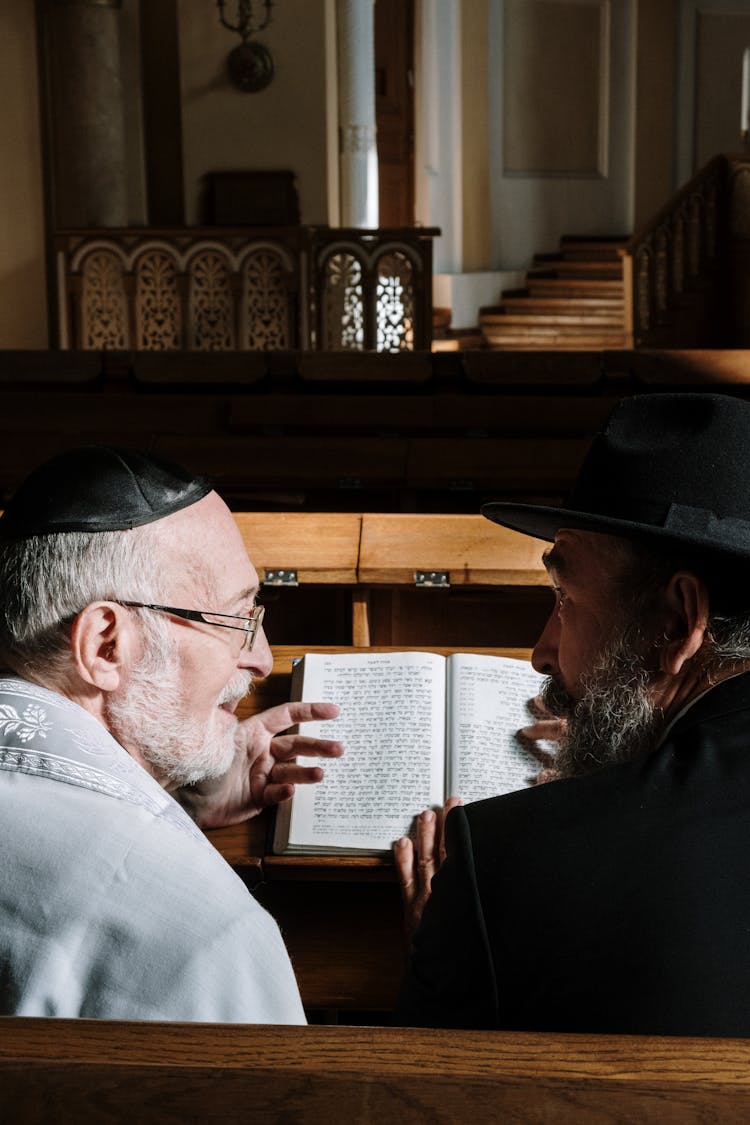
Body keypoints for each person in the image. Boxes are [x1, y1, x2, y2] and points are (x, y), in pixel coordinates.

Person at [394, 391, 750, 1036]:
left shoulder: (507, 866)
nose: (541, 652)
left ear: (676, 623)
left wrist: (460, 948)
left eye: (564, 596)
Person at [0, 446, 343, 1022]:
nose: (262, 659)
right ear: (106, 644)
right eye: (238, 620)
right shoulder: (208, 933)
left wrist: (170, 795)